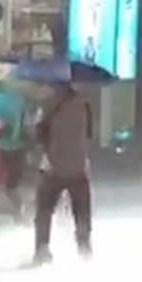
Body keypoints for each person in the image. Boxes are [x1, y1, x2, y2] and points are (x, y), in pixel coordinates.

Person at [34, 82, 92, 264]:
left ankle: (42, 249)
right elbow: (89, 133)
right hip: (78, 164)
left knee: (44, 209)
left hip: (54, 166)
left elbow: (39, 134)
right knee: (82, 210)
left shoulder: (48, 105)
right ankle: (84, 247)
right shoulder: (84, 104)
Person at [0, 88, 28, 218]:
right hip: (18, 146)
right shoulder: (21, 100)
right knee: (12, 183)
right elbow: (26, 124)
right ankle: (19, 212)